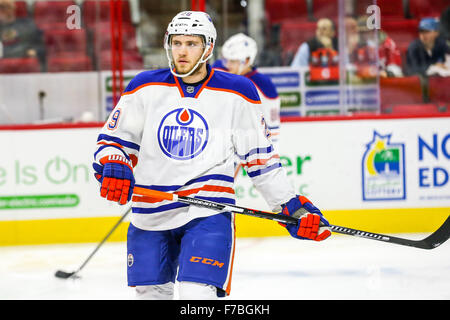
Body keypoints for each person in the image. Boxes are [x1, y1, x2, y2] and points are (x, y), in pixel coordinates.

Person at [92, 11, 331, 300]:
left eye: (191, 43)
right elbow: (112, 141)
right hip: (149, 213)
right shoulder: (144, 87)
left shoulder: (238, 92)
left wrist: (289, 205)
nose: (181, 50)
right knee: (151, 296)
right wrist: (114, 162)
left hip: (208, 211)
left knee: (198, 296)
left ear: (207, 48)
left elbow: (261, 160)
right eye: (176, 42)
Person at [212, 33, 280, 149]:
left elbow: (272, 128)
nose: (227, 65)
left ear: (247, 60)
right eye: (225, 59)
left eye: (232, 61)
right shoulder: (219, 69)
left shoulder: (264, 85)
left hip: (248, 146)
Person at [0, 0, 44, 68]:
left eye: (4, 8)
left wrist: (33, 51)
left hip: (25, 66)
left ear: (12, 8)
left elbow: (39, 46)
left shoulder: (27, 25)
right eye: (1, 8)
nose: (3, 11)